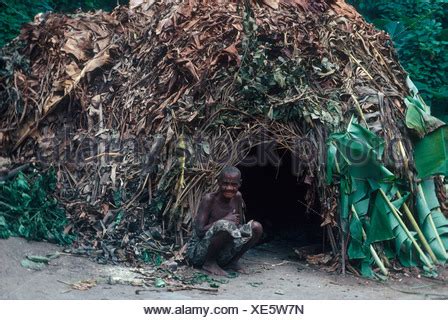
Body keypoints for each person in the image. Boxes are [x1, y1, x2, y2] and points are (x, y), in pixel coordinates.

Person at [186, 166, 263, 276]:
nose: (229, 188)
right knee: (226, 225)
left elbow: (238, 223)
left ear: (239, 184)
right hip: (200, 254)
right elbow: (199, 231)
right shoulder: (209, 199)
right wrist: (224, 220)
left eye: (234, 185)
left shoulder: (237, 196)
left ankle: (233, 262)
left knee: (256, 227)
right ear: (218, 182)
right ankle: (209, 264)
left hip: (223, 252)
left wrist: (238, 230)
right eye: (225, 184)